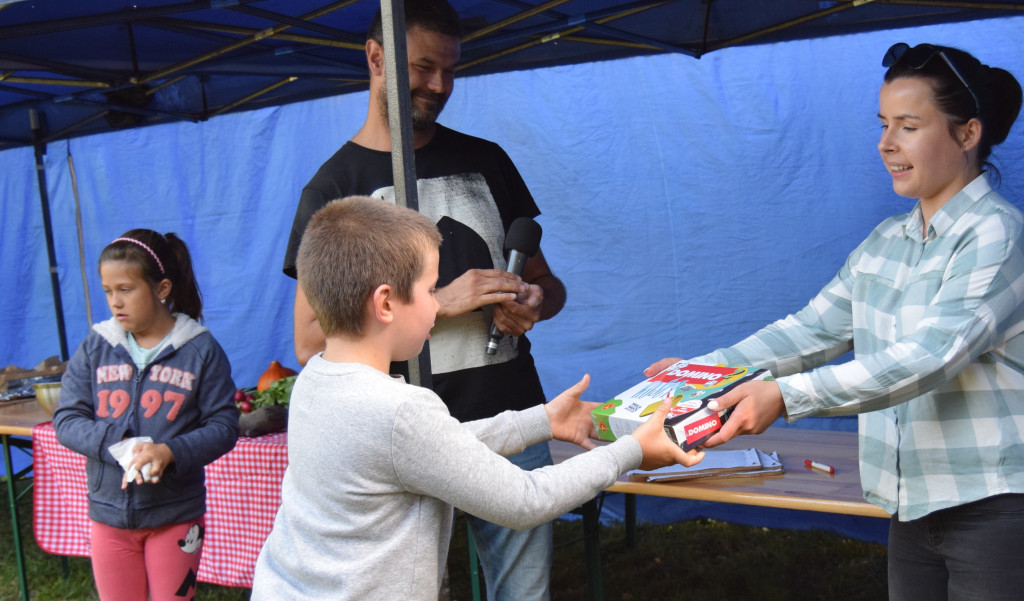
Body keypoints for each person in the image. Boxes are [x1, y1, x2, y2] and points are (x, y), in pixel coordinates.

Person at [647, 43, 1024, 600]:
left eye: (908, 126)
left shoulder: (1000, 234)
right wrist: (703, 372)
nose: (886, 144)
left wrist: (785, 396)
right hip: (909, 502)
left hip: (989, 506)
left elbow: (930, 356)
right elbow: (811, 330)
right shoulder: (886, 243)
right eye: (884, 124)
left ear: (968, 134)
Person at [254, 196, 701, 600]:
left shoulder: (318, 379)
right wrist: (632, 449)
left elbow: (434, 447)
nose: (437, 304)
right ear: (386, 303)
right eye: (430, 290)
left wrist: (541, 421)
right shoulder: (400, 410)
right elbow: (524, 500)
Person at [280, 0, 567, 598]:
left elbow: (551, 285)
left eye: (451, 70)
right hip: (400, 440)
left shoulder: (487, 161)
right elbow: (311, 341)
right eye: (423, 67)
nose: (439, 85)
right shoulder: (335, 189)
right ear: (376, 56)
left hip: (509, 417)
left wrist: (533, 300)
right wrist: (443, 301)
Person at [53, 230, 239, 601]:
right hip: (108, 517)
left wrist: (170, 452)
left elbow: (224, 426)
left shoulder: (200, 350)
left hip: (176, 516)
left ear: (162, 288)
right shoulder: (96, 346)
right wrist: (116, 443)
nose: (114, 302)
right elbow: (67, 419)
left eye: (125, 289)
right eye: (107, 291)